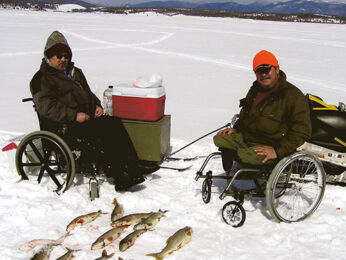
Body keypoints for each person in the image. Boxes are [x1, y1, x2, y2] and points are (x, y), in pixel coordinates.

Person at [30, 30, 150, 191]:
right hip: (65, 126)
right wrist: (74, 115)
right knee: (105, 131)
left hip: (86, 118)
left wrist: (97, 106)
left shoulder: (74, 72)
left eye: (66, 55)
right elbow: (46, 107)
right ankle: (120, 176)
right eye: (59, 56)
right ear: (48, 56)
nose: (63, 59)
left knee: (114, 121)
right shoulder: (41, 79)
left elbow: (88, 93)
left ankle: (132, 166)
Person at [214, 50, 311, 168]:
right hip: (248, 138)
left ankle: (246, 163)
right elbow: (246, 115)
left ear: (276, 69)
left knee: (245, 155)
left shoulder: (293, 96)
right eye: (259, 71)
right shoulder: (255, 90)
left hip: (270, 145)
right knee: (219, 139)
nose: (263, 74)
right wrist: (236, 130)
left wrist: (277, 151)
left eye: (267, 69)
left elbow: (302, 130)